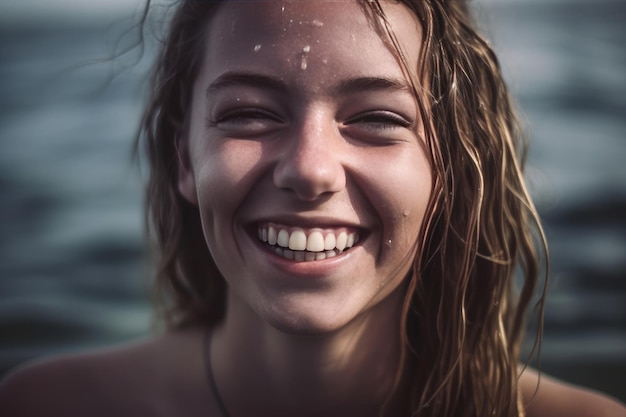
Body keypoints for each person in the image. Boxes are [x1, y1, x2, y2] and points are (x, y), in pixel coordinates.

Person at [0, 1, 624, 416]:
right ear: (185, 159)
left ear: (450, 169)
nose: (309, 168)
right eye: (248, 113)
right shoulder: (49, 405)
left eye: (378, 118)